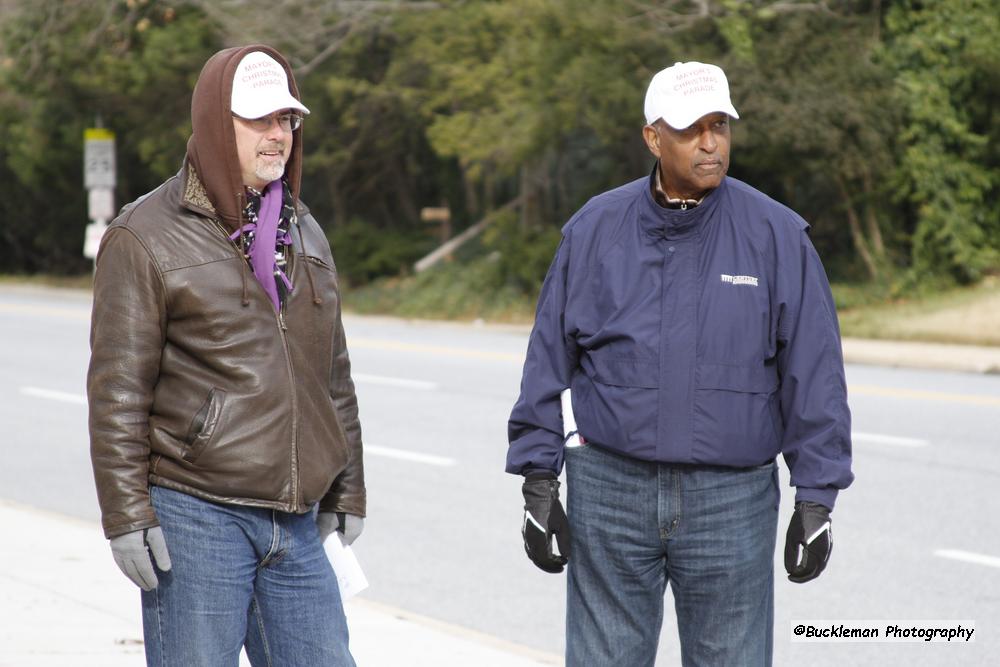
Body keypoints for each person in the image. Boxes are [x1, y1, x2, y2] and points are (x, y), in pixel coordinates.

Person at [507, 61, 854, 666]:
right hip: (610, 491)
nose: (711, 142)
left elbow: (814, 372)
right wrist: (539, 482)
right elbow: (546, 361)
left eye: (720, 124)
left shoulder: (775, 234)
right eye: (692, 128)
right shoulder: (595, 229)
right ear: (653, 136)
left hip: (732, 500)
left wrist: (816, 499)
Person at [88, 45, 365, 666]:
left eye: (287, 120)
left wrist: (347, 491)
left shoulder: (304, 229)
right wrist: (126, 514)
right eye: (259, 120)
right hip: (196, 514)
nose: (278, 136)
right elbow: (118, 394)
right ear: (217, 121)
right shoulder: (144, 235)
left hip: (296, 522)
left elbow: (333, 376)